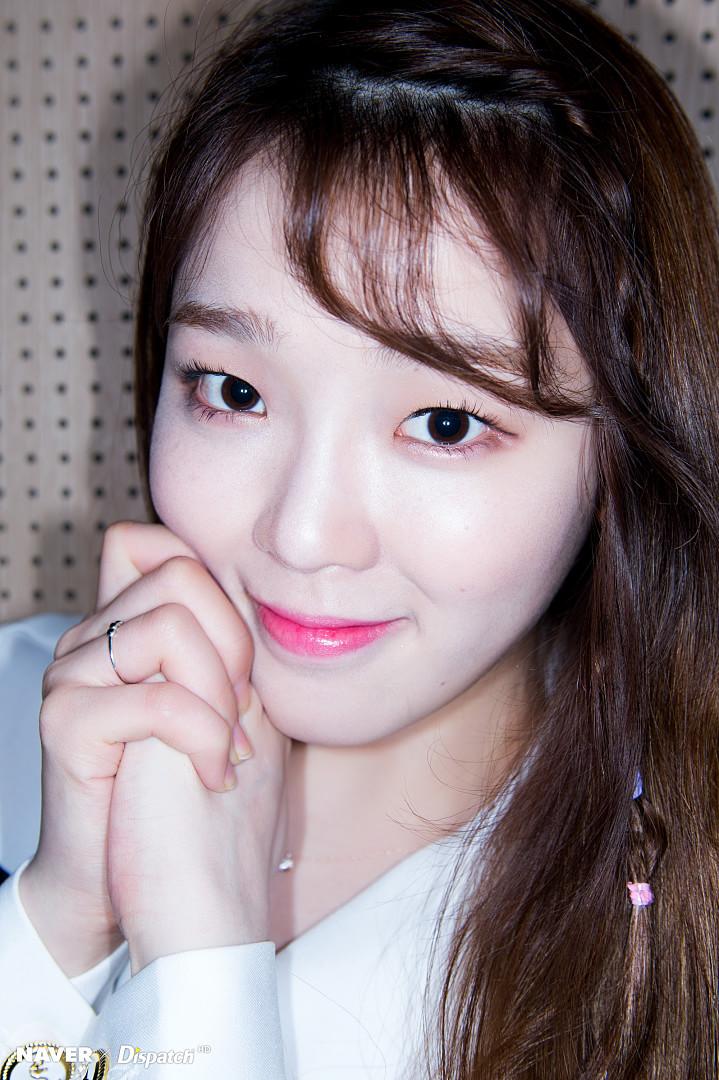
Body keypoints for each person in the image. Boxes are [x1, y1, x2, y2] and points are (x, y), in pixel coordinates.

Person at [1, 0, 718, 1076]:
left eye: (444, 423)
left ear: (621, 457)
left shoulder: (670, 943)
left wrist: (195, 970)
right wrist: (59, 920)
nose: (301, 535)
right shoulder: (22, 708)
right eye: (234, 391)